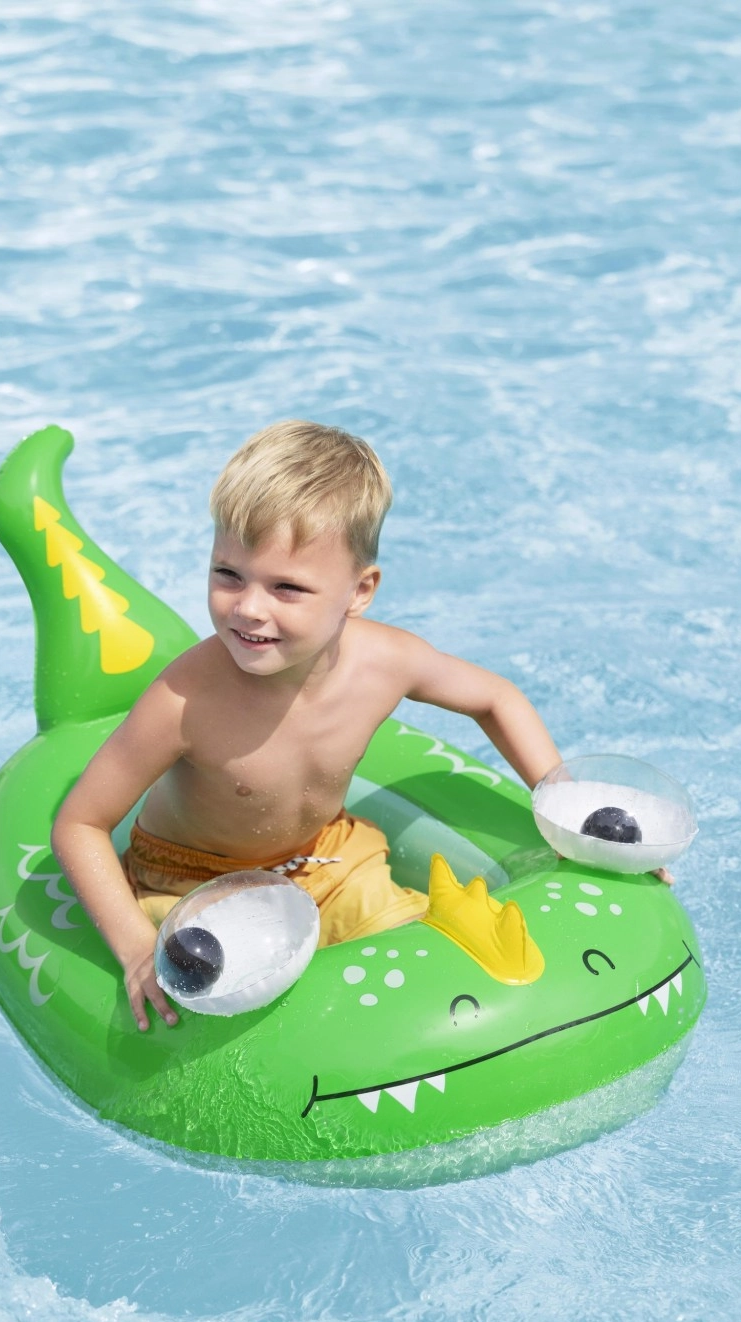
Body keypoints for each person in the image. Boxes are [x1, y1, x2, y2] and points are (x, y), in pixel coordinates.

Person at [51, 420, 563, 1031]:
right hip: (192, 879)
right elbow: (80, 824)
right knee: (223, 980)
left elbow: (496, 698)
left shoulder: (387, 663)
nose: (248, 607)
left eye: (287, 588)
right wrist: (136, 947)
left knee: (428, 968)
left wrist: (563, 807)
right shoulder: (186, 701)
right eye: (227, 574)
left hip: (328, 861)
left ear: (360, 591)